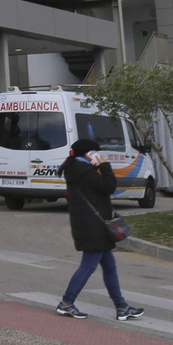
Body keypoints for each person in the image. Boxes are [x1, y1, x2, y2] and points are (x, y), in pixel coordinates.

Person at [54, 138, 144, 321]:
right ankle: (66, 303)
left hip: (91, 225)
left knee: (109, 267)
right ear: (89, 154)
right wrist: (105, 166)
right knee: (88, 266)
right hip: (93, 227)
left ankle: (121, 307)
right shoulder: (85, 171)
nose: (99, 156)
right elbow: (109, 186)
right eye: (96, 153)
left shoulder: (76, 169)